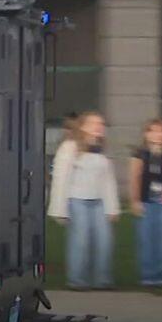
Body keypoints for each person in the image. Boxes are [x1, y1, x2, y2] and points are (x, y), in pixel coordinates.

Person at [47, 111, 120, 290]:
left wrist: (113, 208)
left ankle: (102, 280)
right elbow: (60, 178)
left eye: (101, 124)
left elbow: (108, 181)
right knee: (80, 240)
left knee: (104, 241)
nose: (98, 127)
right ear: (82, 126)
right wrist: (59, 209)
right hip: (77, 200)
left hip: (99, 202)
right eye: (94, 123)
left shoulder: (102, 149)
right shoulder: (70, 147)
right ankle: (77, 280)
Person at [128, 118, 162, 286]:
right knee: (146, 239)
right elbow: (134, 178)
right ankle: (148, 275)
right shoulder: (140, 154)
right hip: (146, 201)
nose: (158, 134)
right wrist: (135, 201)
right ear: (146, 134)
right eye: (153, 130)